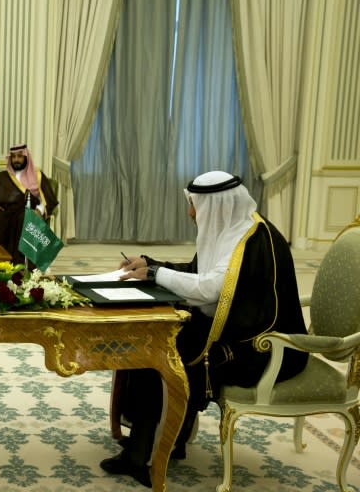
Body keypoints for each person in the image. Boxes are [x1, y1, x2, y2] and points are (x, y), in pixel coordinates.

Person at [99, 171, 309, 488]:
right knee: (148, 340)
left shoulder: (252, 240)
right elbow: (201, 275)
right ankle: (163, 440)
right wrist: (150, 264)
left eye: (195, 205)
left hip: (260, 350)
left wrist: (155, 272)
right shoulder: (234, 228)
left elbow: (211, 289)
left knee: (158, 353)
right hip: (234, 334)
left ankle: (146, 451)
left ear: (217, 205)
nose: (191, 213)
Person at [0, 144, 59, 265]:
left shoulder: (37, 176)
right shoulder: (2, 177)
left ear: (26, 158)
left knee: (25, 220)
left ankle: (22, 266)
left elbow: (47, 200)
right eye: (13, 157)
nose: (16, 159)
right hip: (7, 213)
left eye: (19, 156)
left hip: (27, 212)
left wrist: (39, 211)